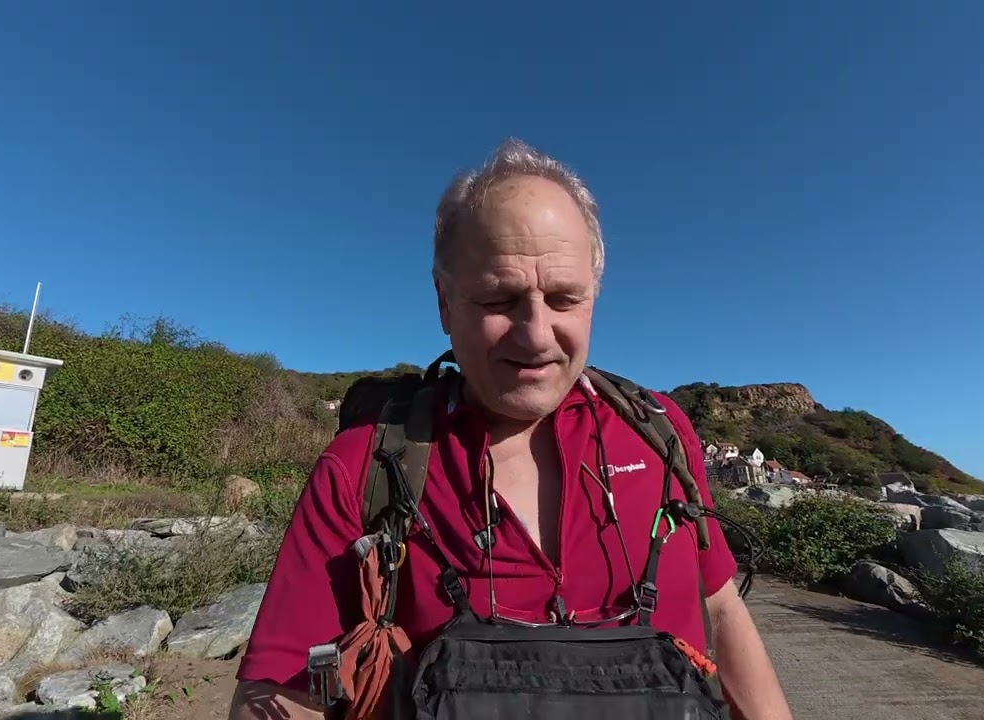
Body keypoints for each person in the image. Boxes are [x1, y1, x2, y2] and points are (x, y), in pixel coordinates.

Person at [229, 138, 794, 720]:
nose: (536, 335)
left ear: (594, 297)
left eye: (565, 298)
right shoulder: (364, 467)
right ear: (444, 302)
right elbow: (283, 690)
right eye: (499, 298)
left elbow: (720, 609)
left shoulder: (661, 434)